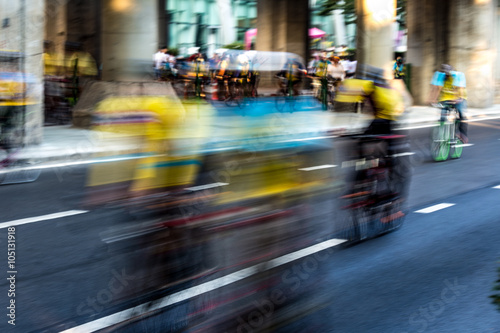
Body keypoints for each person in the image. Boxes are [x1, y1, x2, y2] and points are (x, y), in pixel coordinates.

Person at [428, 64, 468, 143]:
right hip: (446, 98)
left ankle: (462, 134)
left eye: (448, 74)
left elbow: (460, 89)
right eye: (445, 74)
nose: (446, 76)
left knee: (460, 113)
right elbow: (437, 89)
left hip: (459, 97)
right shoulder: (441, 77)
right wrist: (434, 100)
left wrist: (458, 99)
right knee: (443, 115)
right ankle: (441, 132)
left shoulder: (457, 77)